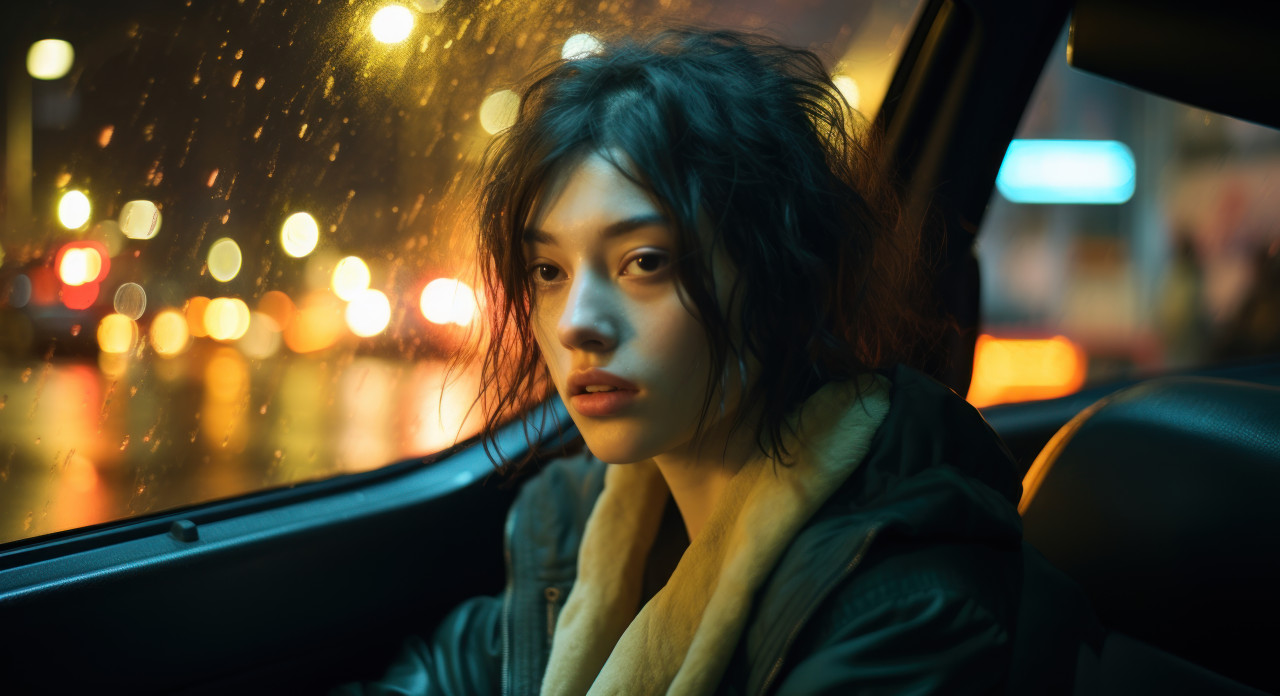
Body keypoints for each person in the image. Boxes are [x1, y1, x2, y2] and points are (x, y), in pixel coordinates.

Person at [334, 26, 1092, 696]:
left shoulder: (907, 602)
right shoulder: (577, 536)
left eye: (645, 261)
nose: (576, 325)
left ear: (779, 279)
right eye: (547, 272)